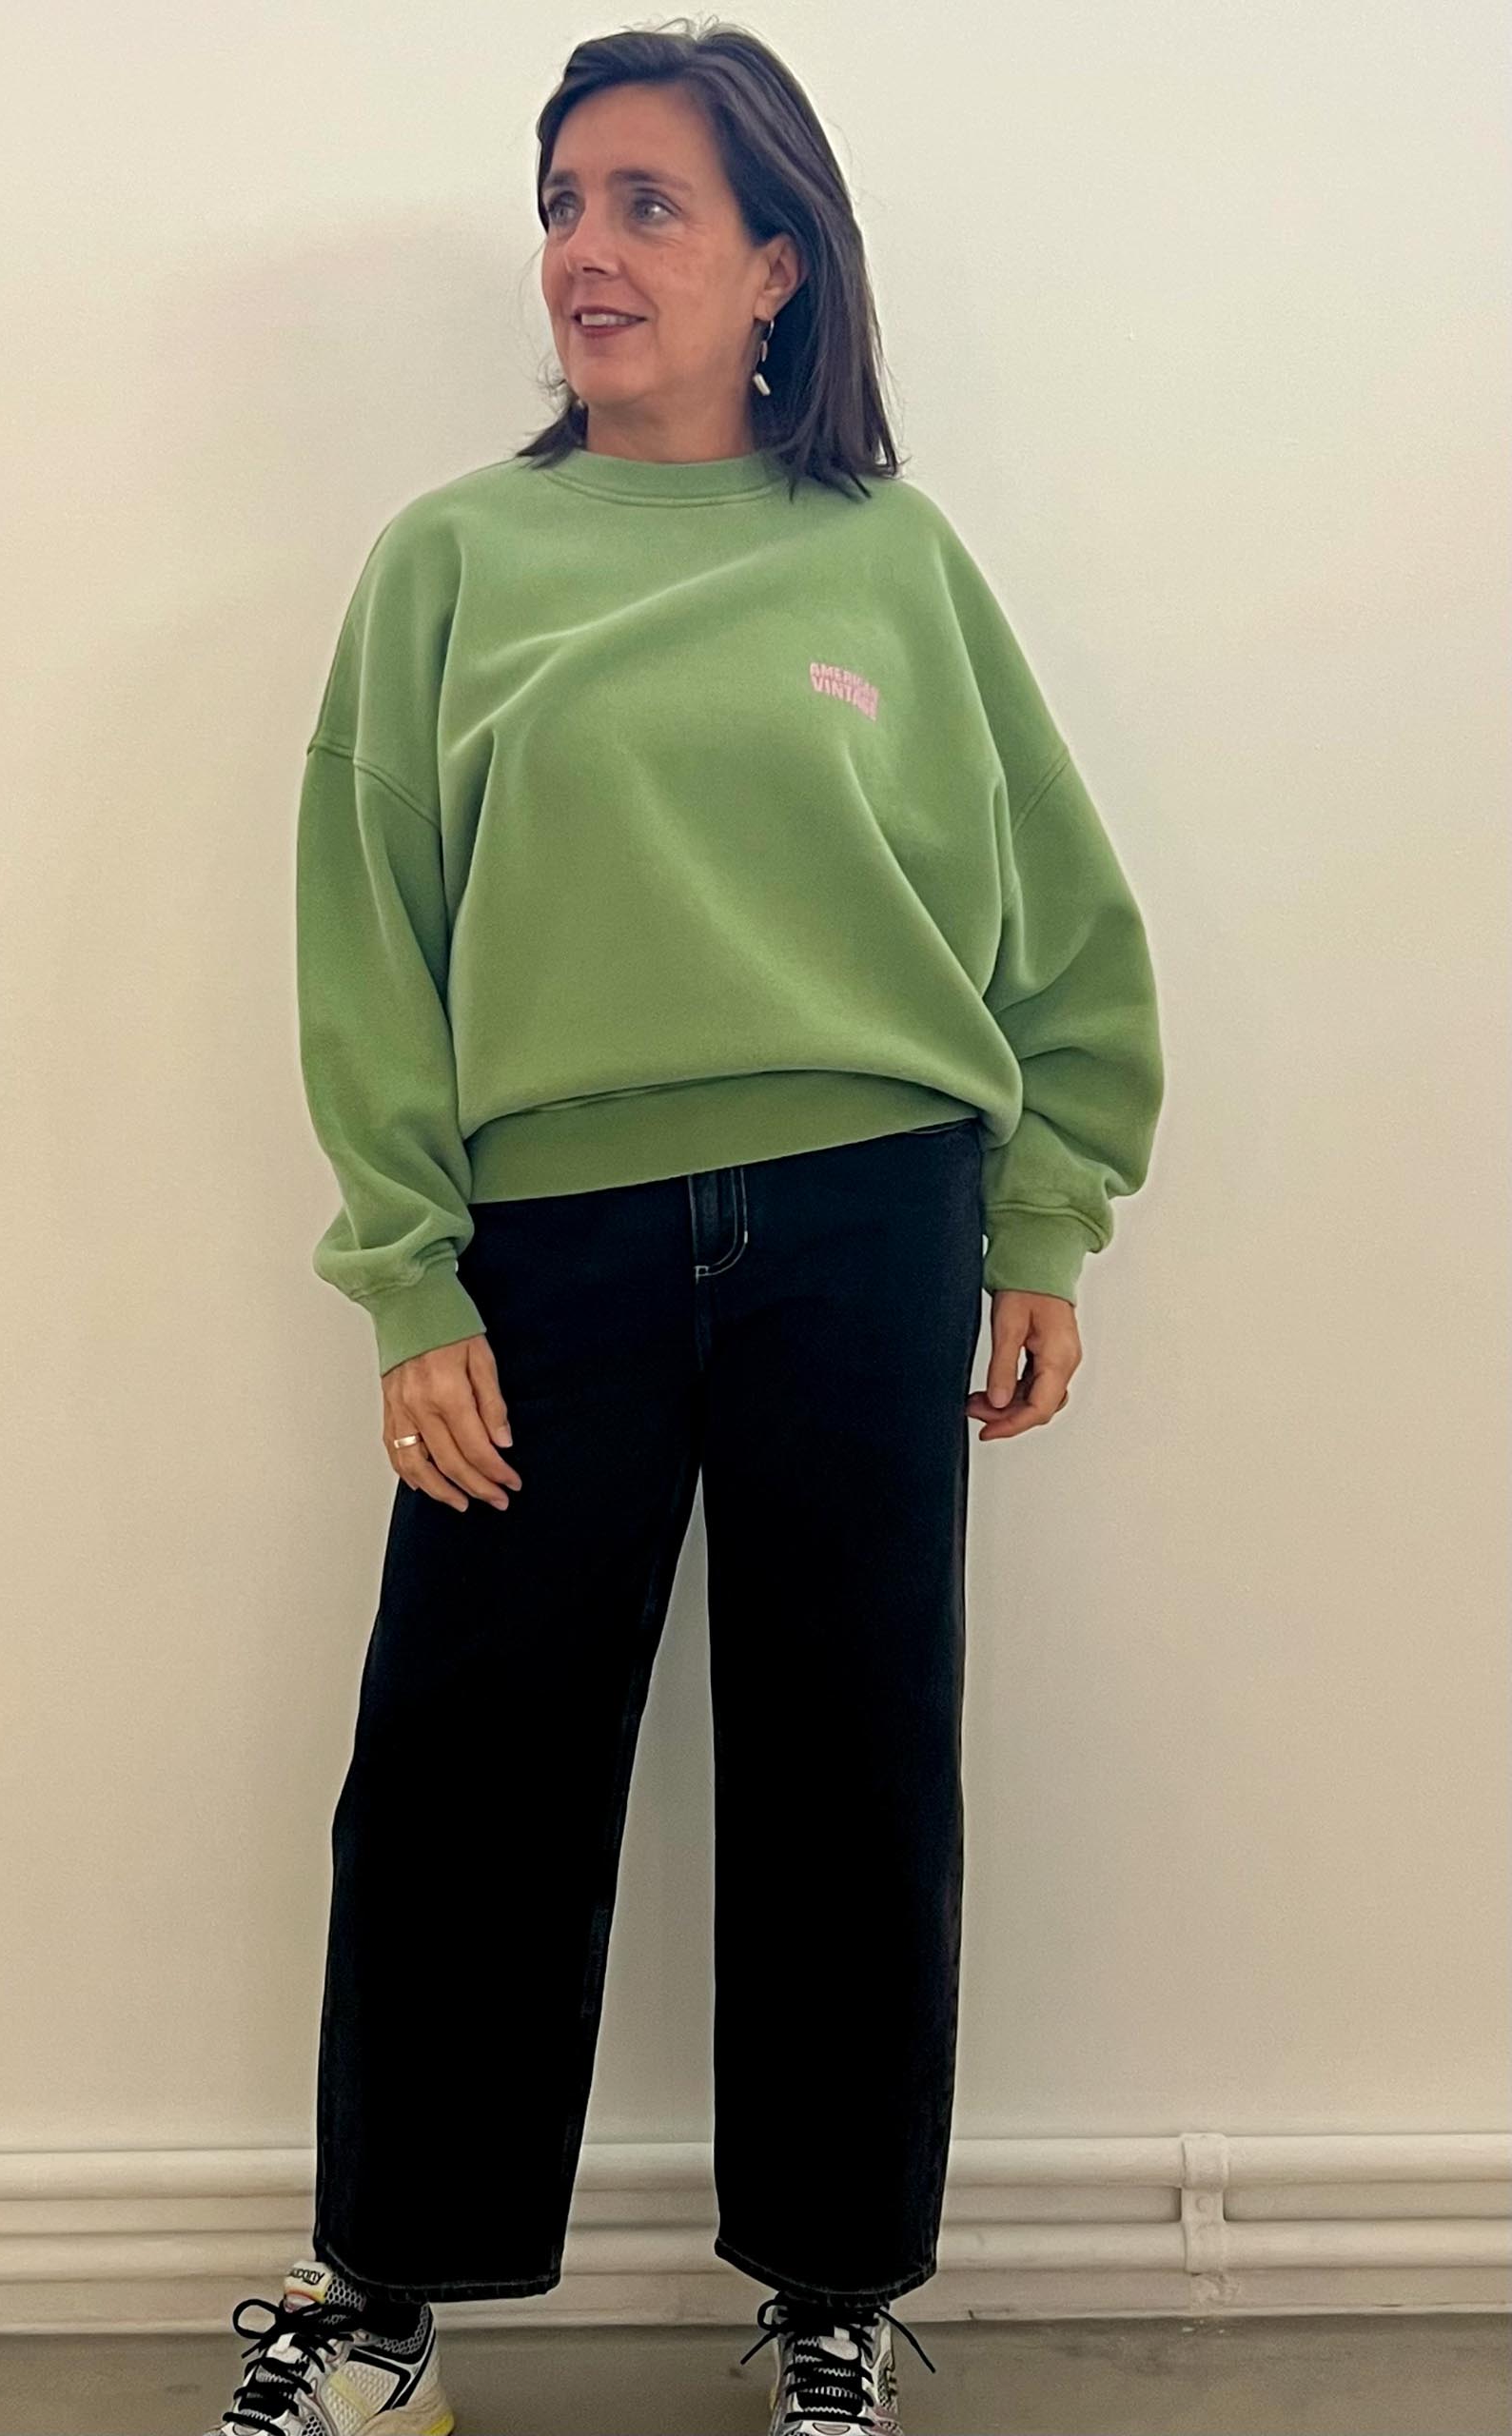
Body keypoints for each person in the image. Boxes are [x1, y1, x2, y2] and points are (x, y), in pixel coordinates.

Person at [206, 20, 1164, 2436]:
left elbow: (1056, 917)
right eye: (562, 202)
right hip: (552, 1243)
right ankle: (384, 2303)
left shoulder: (893, 564)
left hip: (872, 1215)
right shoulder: (452, 562)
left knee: (855, 1757)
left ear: (777, 263)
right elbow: (367, 937)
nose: (587, 251)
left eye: (647, 202)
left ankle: (834, 2290)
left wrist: (1044, 1217)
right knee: (465, 1760)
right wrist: (408, 1273)